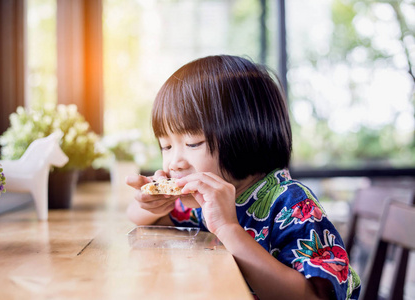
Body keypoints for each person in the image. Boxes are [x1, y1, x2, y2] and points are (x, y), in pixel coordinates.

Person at [126, 55, 361, 300]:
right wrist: (152, 202)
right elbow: (144, 219)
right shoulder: (204, 201)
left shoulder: (290, 203)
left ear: (245, 135)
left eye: (192, 143)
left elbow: (313, 297)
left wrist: (228, 229)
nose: (174, 162)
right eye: (166, 146)